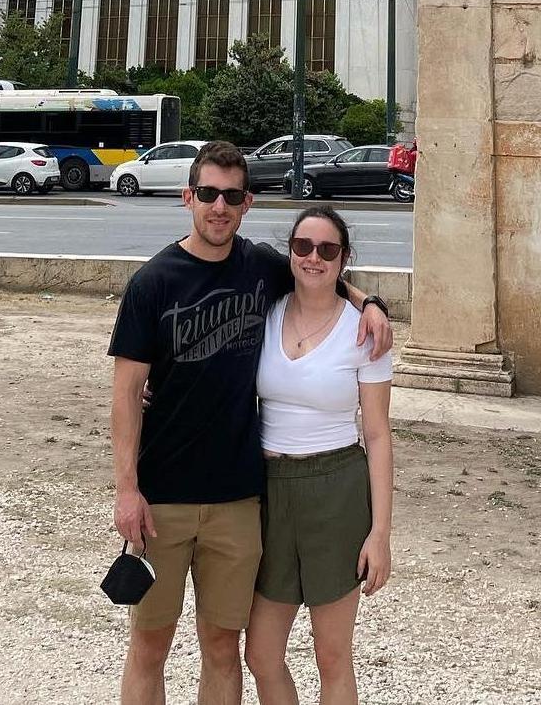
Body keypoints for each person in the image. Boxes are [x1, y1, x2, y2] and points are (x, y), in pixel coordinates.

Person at [108, 140, 393, 705]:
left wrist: (373, 301)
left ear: (247, 203)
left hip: (240, 499)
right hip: (163, 494)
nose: (219, 206)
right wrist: (126, 490)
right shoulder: (153, 283)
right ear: (188, 196)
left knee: (223, 645)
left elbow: (323, 273)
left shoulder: (260, 267)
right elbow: (123, 396)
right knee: (149, 644)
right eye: (208, 193)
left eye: (231, 195)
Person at [245, 207, 392, 705]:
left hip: (336, 488)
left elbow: (377, 434)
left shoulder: (366, 332)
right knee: (261, 655)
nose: (313, 258)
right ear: (289, 252)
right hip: (269, 488)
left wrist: (380, 533)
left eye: (327, 250)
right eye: (303, 247)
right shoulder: (265, 311)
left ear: (344, 258)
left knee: (332, 657)